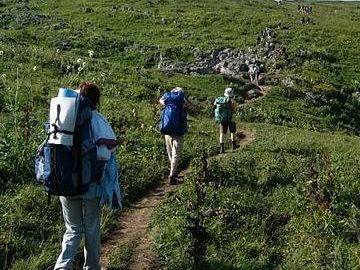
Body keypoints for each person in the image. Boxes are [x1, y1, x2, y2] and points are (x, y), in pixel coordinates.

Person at [54, 82, 121, 270]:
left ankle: (62, 266)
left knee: (72, 229)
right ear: (96, 101)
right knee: (91, 228)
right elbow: (106, 153)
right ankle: (92, 267)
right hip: (91, 185)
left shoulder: (62, 118)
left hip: (65, 183)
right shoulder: (98, 120)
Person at [159, 87, 195, 185]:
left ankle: (173, 171)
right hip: (179, 131)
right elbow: (192, 108)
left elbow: (161, 101)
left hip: (167, 129)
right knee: (176, 153)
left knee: (170, 152)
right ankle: (172, 175)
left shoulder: (168, 97)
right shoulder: (182, 99)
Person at [214, 87, 240, 154]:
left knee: (222, 133)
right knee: (232, 131)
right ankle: (234, 145)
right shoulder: (231, 101)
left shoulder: (220, 100)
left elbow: (214, 105)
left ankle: (222, 148)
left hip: (222, 119)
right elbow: (234, 109)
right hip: (230, 119)